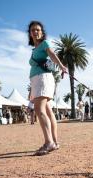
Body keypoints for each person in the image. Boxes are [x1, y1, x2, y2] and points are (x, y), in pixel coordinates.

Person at [28, 20, 68, 155]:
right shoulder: (35, 48)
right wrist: (31, 89)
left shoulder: (45, 43)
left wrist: (62, 66)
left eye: (37, 30)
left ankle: (48, 142)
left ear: (42, 32)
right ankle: (54, 142)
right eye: (33, 30)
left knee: (39, 110)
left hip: (42, 79)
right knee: (48, 112)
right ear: (30, 33)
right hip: (37, 80)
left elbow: (52, 54)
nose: (35, 32)